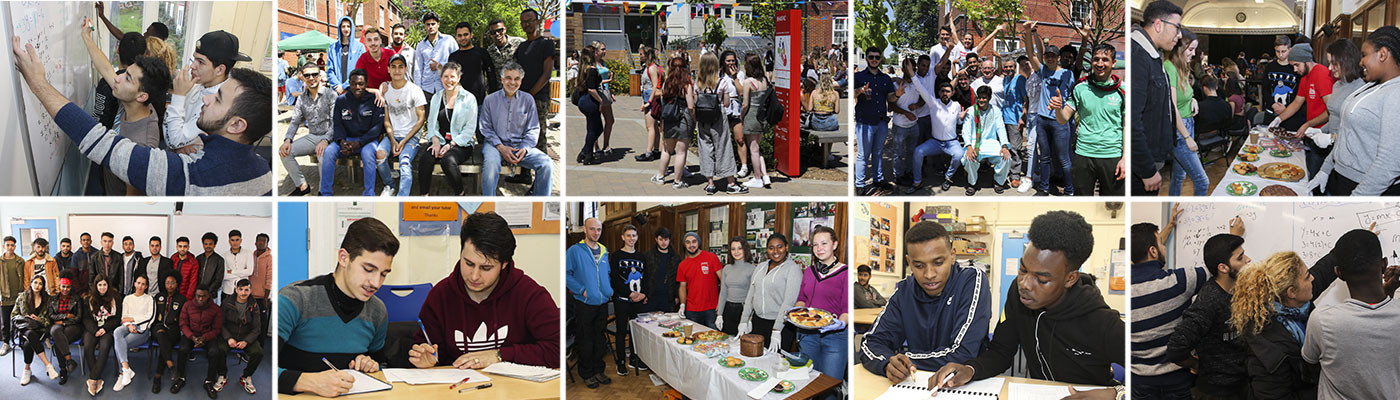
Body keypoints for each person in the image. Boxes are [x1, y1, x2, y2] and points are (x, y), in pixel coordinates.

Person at [14, 31, 273, 195]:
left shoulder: (188, 176)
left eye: (217, 98)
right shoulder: (263, 173)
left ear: (237, 125)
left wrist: (38, 83)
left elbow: (100, 143)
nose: (207, 97)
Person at [933, 211, 1123, 398]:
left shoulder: (1102, 322)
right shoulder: (1018, 296)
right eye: (1023, 270)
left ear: (1070, 278)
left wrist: (1115, 394)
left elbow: (1151, 375)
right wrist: (970, 369)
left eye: (1041, 279)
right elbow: (1001, 351)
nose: (1024, 284)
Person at [408, 212, 561, 373]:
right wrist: (427, 361)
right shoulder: (440, 296)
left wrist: (499, 356)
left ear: (504, 264)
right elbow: (429, 350)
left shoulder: (529, 294)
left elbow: (557, 348)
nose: (474, 276)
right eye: (468, 263)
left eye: (486, 268)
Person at [278, 218, 397, 397]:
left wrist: (370, 365)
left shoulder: (377, 311)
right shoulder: (295, 299)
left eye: (383, 274)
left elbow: (381, 366)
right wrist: (309, 382)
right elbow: (264, 368)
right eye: (368, 269)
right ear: (344, 258)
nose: (376, 283)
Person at [859, 221, 990, 381]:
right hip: (917, 382)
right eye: (919, 265)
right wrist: (889, 364)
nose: (929, 274)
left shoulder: (971, 280)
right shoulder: (904, 290)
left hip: (965, 384)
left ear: (953, 255)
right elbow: (871, 344)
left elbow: (963, 353)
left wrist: (906, 359)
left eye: (938, 263)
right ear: (909, 262)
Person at [1302, 230, 1400, 399]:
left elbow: (1309, 364)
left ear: (1338, 273)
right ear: (1384, 264)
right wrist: (1388, 292)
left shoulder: (1322, 321)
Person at [1128, 208, 1210, 399]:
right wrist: (1233, 238)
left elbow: (1151, 250)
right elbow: (1215, 266)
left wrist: (1170, 225)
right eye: (1160, 244)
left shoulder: (1128, 288)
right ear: (1153, 250)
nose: (1164, 247)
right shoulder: (1179, 282)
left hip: (1140, 384)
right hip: (1178, 382)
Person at [79, 19, 168, 196]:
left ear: (142, 95)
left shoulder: (142, 146)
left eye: (127, 78)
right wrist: (85, 36)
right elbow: (105, 69)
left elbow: (132, 202)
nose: (118, 78)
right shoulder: (130, 99)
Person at [1164, 228, 1252, 399]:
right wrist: (1196, 364)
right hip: (1216, 392)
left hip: (1241, 384)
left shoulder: (1238, 291)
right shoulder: (1208, 301)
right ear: (1223, 268)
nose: (1248, 260)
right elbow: (1175, 349)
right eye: (1240, 258)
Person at [1316, 26, 1400, 195]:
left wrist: (1358, 199)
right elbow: (1346, 132)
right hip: (1342, 177)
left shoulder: (1396, 93)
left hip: (1364, 186)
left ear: (1382, 54)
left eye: (1364, 55)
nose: (1361, 61)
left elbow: (1389, 161)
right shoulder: (1370, 86)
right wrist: (1326, 168)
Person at [1230, 252, 1317, 398]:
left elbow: (1323, 271)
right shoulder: (1267, 347)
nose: (1313, 278)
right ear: (1292, 292)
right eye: (1308, 276)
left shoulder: (1300, 308)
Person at [1052, 43, 1126, 196]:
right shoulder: (1080, 87)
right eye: (1096, 59)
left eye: (1105, 60)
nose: (1100, 64)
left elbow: (1127, 126)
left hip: (1112, 156)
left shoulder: (1123, 89)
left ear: (1113, 63)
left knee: (1112, 205)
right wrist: (1058, 108)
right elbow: (1063, 118)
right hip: (1083, 155)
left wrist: (1125, 158)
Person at [165, 30, 251, 153]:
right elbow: (171, 131)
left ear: (220, 70)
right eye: (194, 59)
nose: (192, 66)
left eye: (200, 62)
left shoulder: (221, 102)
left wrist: (178, 96)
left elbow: (174, 140)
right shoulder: (198, 84)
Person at [1130, 1, 1183, 195]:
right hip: (1142, 168)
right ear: (1159, 25)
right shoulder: (1138, 55)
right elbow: (1132, 120)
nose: (1179, 35)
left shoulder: (1153, 55)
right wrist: (1147, 169)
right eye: (1177, 28)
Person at [480, 62, 554, 196]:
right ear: (502, 79)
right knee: (491, 165)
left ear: (521, 80)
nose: (512, 82)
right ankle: (488, 201)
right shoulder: (490, 100)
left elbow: (533, 128)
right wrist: (501, 147)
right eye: (508, 78)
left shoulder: (528, 100)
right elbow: (485, 127)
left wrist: (525, 147)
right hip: (495, 144)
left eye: (517, 79)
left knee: (547, 164)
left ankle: (540, 201)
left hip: (519, 146)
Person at [795, 226, 848, 385]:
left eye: (824, 243)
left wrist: (840, 323)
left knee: (828, 385)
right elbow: (802, 299)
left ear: (835, 245)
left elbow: (847, 309)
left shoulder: (845, 272)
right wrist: (795, 312)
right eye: (815, 245)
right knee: (808, 383)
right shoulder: (809, 272)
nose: (819, 249)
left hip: (835, 337)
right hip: (808, 335)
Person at [320, 69, 387, 196]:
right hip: (346, 139)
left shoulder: (375, 100)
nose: (357, 87)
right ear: (349, 84)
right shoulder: (341, 100)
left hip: (367, 141)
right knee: (329, 152)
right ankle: (325, 193)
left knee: (368, 154)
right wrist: (342, 141)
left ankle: (369, 194)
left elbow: (377, 128)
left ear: (366, 84)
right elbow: (337, 124)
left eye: (361, 84)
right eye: (354, 83)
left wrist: (359, 143)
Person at [416, 62, 479, 195]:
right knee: (426, 159)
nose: (449, 80)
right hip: (440, 139)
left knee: (448, 160)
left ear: (459, 78)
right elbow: (432, 122)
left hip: (461, 143)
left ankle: (460, 194)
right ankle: (424, 195)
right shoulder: (436, 97)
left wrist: (451, 145)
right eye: (445, 76)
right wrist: (435, 141)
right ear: (441, 78)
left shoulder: (469, 98)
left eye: (452, 76)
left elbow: (469, 129)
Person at [566, 217, 612, 389]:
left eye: (599, 229)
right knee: (586, 339)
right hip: (584, 303)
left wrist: (609, 290)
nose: (596, 233)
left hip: (602, 302)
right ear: (585, 230)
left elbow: (606, 274)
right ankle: (586, 373)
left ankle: (598, 370)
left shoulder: (604, 250)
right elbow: (566, 274)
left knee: (600, 339)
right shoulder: (575, 251)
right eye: (592, 229)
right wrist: (581, 290)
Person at [1163, 30, 1208, 196]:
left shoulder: (1182, 68)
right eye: (1190, 49)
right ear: (1180, 49)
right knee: (1202, 181)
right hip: (1180, 129)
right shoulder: (1169, 67)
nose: (1194, 53)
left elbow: (1185, 94)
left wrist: (1193, 100)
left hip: (1188, 124)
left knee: (1179, 175)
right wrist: (1187, 137)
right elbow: (1172, 106)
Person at [281, 62, 337, 196]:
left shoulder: (331, 95)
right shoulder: (301, 98)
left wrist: (325, 140)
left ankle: (324, 191)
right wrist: (288, 139)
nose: (311, 77)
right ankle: (302, 186)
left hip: (331, 136)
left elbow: (336, 122)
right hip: (312, 136)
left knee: (322, 154)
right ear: (302, 77)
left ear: (319, 76)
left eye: (314, 74)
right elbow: (295, 121)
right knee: (284, 152)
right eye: (307, 75)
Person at [693, 53, 744, 194]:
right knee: (723, 148)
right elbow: (727, 103)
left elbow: (694, 102)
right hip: (718, 117)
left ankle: (710, 183)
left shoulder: (697, 83)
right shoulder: (721, 82)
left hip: (703, 118)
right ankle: (731, 183)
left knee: (705, 149)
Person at [739, 234, 801, 349]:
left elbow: (789, 302)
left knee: (775, 363)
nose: (775, 251)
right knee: (756, 360)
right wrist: (744, 320)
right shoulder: (760, 267)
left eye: (779, 246)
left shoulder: (793, 269)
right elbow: (750, 295)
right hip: (758, 322)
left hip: (781, 324)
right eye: (771, 248)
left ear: (786, 247)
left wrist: (776, 330)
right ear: (767, 250)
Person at [378, 54, 427, 196]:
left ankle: (402, 197)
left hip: (411, 136)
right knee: (379, 154)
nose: (397, 70)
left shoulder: (415, 90)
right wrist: (393, 140)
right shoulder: (387, 91)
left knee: (404, 162)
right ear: (388, 69)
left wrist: (404, 141)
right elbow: (387, 120)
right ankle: (389, 185)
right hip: (393, 135)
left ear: (406, 69)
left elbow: (420, 120)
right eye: (393, 67)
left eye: (400, 67)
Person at [908, 81, 965, 194]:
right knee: (918, 152)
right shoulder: (933, 103)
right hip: (935, 142)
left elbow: (958, 122)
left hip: (951, 142)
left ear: (952, 93)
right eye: (942, 91)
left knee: (959, 155)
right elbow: (921, 89)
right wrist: (912, 74)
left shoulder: (956, 105)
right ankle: (917, 182)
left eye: (947, 91)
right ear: (939, 92)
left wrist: (961, 117)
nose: (945, 93)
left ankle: (948, 177)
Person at [608, 225, 650, 375]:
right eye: (628, 236)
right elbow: (614, 279)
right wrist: (629, 292)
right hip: (622, 299)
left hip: (638, 300)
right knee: (621, 331)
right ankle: (621, 362)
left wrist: (643, 293)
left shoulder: (641, 257)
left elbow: (646, 278)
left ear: (637, 237)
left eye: (634, 236)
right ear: (622, 237)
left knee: (635, 331)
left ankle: (634, 358)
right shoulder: (617, 256)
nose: (631, 239)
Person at [854, 47, 896, 195]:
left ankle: (878, 179)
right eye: (871, 57)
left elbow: (890, 98)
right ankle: (859, 184)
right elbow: (852, 94)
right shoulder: (858, 76)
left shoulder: (886, 78)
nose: (874, 59)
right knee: (863, 154)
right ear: (866, 58)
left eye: (877, 57)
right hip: (864, 122)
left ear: (880, 59)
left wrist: (898, 94)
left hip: (881, 122)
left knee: (878, 152)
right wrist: (860, 90)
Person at [515, 9, 556, 160]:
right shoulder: (521, 47)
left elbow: (546, 74)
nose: (527, 24)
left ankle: (541, 177)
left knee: (539, 137)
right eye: (524, 22)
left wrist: (530, 95)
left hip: (538, 98)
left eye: (530, 20)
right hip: (522, 99)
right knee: (522, 136)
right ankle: (525, 174)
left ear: (537, 22)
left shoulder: (546, 44)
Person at [209, 279, 261, 395]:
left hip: (246, 337)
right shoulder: (227, 303)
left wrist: (246, 341)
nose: (243, 292)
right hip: (229, 335)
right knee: (220, 349)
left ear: (250, 291)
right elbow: (220, 324)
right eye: (241, 289)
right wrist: (228, 338)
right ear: (236, 290)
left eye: (246, 290)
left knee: (258, 353)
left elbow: (257, 328)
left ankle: (246, 377)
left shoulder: (254, 305)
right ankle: (222, 375)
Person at [960, 86, 1012, 195]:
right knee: (969, 157)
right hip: (974, 142)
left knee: (1006, 157)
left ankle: (998, 181)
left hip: (991, 142)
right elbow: (966, 130)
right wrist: (969, 146)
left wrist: (1004, 146)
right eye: (979, 98)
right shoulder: (971, 110)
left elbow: (1000, 128)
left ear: (989, 98)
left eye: (984, 98)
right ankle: (972, 183)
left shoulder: (995, 110)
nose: (981, 100)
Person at [653, 56, 695, 189]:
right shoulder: (686, 85)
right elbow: (691, 106)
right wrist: (694, 119)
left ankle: (660, 176)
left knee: (666, 150)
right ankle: (677, 181)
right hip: (683, 119)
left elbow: (662, 101)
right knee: (681, 152)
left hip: (669, 119)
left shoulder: (666, 84)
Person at [175, 287, 222, 398]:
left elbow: (217, 328)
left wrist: (204, 338)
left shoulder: (216, 309)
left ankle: (209, 382)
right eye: (198, 296)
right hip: (191, 335)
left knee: (214, 352)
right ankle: (181, 377)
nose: (200, 299)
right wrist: (192, 337)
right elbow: (183, 324)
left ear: (209, 296)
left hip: (207, 336)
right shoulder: (187, 305)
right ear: (195, 295)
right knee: (182, 350)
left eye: (203, 296)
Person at [111, 274, 153, 392]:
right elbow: (124, 317)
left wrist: (132, 320)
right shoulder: (128, 298)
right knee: (117, 331)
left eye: (143, 284)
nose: (140, 286)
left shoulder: (149, 299)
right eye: (138, 283)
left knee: (119, 344)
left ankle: (121, 374)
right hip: (128, 326)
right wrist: (129, 325)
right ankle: (126, 370)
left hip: (142, 329)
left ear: (146, 286)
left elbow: (149, 317)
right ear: (134, 283)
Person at [13, 275, 57, 385]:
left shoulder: (47, 299)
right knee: (29, 336)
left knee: (29, 342)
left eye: (40, 284)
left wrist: (39, 319)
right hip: (24, 329)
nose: (37, 286)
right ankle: (48, 365)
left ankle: (27, 370)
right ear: (31, 283)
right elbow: (13, 315)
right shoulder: (22, 297)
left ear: (43, 286)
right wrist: (26, 318)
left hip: (39, 329)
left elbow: (49, 319)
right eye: (35, 282)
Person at [83, 275, 121, 395]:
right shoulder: (89, 299)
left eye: (104, 285)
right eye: (99, 285)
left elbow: (117, 318)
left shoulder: (116, 298)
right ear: (96, 286)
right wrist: (95, 330)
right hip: (93, 328)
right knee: (88, 346)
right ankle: (97, 377)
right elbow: (86, 319)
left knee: (104, 347)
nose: (102, 287)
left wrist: (104, 329)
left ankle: (93, 378)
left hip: (107, 329)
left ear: (108, 285)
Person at [740, 54, 773, 189]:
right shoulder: (764, 80)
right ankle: (765, 175)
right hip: (762, 116)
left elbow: (745, 104)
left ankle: (757, 178)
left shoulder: (748, 82)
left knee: (753, 149)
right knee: (757, 148)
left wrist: (741, 117)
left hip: (752, 115)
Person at [677, 232, 722, 330]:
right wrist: (682, 305)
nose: (691, 245)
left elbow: (724, 281)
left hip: (712, 309)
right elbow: (682, 286)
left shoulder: (711, 257)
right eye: (688, 242)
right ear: (684, 245)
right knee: (693, 340)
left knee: (714, 341)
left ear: (699, 243)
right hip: (692, 310)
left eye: (694, 241)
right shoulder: (682, 265)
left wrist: (721, 302)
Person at [150, 274, 185, 393]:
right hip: (158, 327)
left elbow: (183, 319)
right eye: (167, 282)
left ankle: (158, 377)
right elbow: (153, 315)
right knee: (161, 335)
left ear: (177, 284)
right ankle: (170, 365)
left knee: (165, 343)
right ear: (164, 284)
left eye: (173, 282)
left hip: (173, 330)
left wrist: (173, 320)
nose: (170, 285)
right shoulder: (158, 296)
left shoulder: (182, 299)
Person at [1263, 36, 1305, 131]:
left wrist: (1286, 108)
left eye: (1283, 51)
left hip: (1291, 115)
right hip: (1271, 112)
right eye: (1277, 51)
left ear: (1289, 49)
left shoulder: (1295, 68)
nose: (1280, 55)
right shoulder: (1269, 67)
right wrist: (1273, 104)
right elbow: (1265, 89)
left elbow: (1299, 93)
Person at [47, 276, 83, 384]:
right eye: (63, 286)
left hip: (73, 327)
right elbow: (51, 316)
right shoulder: (53, 299)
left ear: (70, 287)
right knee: (55, 332)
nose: (65, 289)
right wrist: (66, 316)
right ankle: (68, 360)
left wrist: (63, 322)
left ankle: (63, 370)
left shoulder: (76, 298)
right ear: (59, 286)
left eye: (68, 287)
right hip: (58, 326)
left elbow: (78, 318)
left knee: (59, 340)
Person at [413, 12, 457, 103]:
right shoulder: (420, 45)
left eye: (433, 24)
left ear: (438, 24)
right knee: (428, 116)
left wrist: (441, 66)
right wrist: (418, 90)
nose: (430, 27)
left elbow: (457, 63)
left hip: (445, 86)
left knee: (444, 116)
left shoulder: (448, 40)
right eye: (428, 24)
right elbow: (418, 69)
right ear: (425, 26)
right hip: (426, 89)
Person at [574, 46, 606, 165]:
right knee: (594, 129)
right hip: (590, 101)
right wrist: (601, 101)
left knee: (595, 128)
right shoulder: (592, 69)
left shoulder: (582, 68)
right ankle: (587, 155)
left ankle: (585, 151)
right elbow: (592, 89)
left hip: (583, 100)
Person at [717, 236, 755, 336]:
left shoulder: (752, 268)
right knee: (727, 342)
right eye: (733, 249)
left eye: (739, 248)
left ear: (745, 249)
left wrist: (750, 318)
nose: (736, 252)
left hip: (743, 310)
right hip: (728, 309)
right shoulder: (727, 268)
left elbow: (753, 296)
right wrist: (719, 314)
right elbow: (723, 293)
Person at [720, 50, 748, 178]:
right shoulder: (719, 74)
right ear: (723, 62)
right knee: (723, 139)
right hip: (723, 107)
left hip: (735, 106)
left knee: (740, 138)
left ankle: (744, 166)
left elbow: (741, 92)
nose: (731, 63)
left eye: (733, 60)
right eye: (728, 60)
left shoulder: (740, 74)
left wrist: (735, 76)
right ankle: (724, 165)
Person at [635, 45, 664, 163]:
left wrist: (648, 102)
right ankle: (656, 150)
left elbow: (655, 86)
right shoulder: (650, 67)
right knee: (654, 127)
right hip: (647, 96)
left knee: (650, 126)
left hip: (650, 98)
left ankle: (649, 152)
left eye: (641, 54)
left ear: (647, 55)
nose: (639, 56)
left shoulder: (652, 68)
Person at [644, 227, 681, 313]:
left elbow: (678, 279)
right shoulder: (648, 256)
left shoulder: (675, 258)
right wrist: (644, 294)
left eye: (666, 239)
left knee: (667, 324)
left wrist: (677, 296)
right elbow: (644, 277)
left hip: (668, 297)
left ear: (669, 240)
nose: (663, 242)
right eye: (661, 239)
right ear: (656, 239)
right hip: (651, 296)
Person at [327, 17, 366, 94]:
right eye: (343, 26)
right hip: (337, 91)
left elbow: (361, 69)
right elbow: (330, 70)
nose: (346, 29)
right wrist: (337, 86)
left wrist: (344, 86)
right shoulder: (333, 48)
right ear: (340, 28)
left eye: (348, 26)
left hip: (354, 89)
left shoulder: (359, 47)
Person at [485, 19, 523, 93]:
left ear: (505, 29)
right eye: (493, 32)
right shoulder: (489, 51)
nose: (497, 34)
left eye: (500, 30)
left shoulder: (519, 43)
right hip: (500, 93)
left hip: (518, 91)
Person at [94, 2, 168, 40]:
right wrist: (102, 16)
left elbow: (121, 37)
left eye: (148, 33)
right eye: (146, 31)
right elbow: (122, 36)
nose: (144, 34)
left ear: (158, 38)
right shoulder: (142, 45)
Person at [591, 43, 616, 154]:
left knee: (610, 120)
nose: (605, 51)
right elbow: (593, 82)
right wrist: (608, 80)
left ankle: (606, 145)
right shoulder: (592, 64)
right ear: (596, 51)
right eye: (602, 49)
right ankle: (595, 146)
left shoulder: (602, 62)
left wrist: (610, 92)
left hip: (605, 93)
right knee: (596, 121)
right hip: (597, 94)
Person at [355, 27, 396, 93]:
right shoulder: (362, 59)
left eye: (376, 39)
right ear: (365, 42)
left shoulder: (391, 54)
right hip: (371, 96)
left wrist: (388, 83)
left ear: (380, 41)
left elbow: (400, 76)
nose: (373, 43)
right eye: (369, 40)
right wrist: (375, 91)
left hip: (392, 92)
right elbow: (358, 84)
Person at [0, 236, 21, 357]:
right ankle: (6, 343)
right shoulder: (0, 261)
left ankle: (21, 342)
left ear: (15, 246)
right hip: (5, 297)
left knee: (19, 321)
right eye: (7, 245)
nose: (10, 247)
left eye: (12, 245)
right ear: (4, 246)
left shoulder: (20, 261)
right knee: (5, 323)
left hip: (18, 297)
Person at [220, 230, 253, 305]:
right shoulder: (223, 256)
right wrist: (243, 273)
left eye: (237, 240)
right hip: (228, 291)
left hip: (243, 292)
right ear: (229, 241)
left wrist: (232, 272)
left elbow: (249, 272)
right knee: (226, 315)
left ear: (241, 240)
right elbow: (224, 275)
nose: (235, 242)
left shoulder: (248, 253)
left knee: (242, 315)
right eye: (232, 240)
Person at [251, 233, 272, 346]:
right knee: (250, 322)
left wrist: (266, 297)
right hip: (250, 296)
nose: (261, 243)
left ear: (267, 243)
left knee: (261, 323)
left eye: (264, 241)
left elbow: (269, 278)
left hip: (262, 297)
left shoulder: (269, 258)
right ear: (255, 242)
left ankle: (260, 346)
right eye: (259, 240)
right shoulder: (251, 256)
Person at [195, 233, 226, 301]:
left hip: (211, 295)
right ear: (203, 244)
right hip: (197, 294)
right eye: (206, 244)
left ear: (214, 245)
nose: (208, 246)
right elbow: (195, 276)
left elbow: (218, 279)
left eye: (210, 244)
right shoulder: (198, 258)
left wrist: (207, 292)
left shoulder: (219, 260)